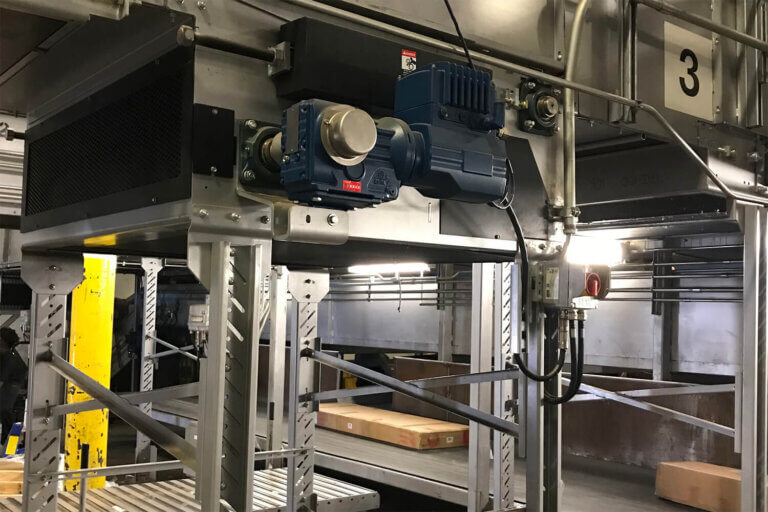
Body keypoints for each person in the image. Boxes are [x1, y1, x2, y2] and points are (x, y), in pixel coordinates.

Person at [0, 327, 26, 445]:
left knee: (12, 429)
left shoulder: (10, 357)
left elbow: (2, 380)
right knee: (10, 428)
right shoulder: (7, 355)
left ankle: (10, 449)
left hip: (14, 399)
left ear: (2, 340)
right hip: (11, 397)